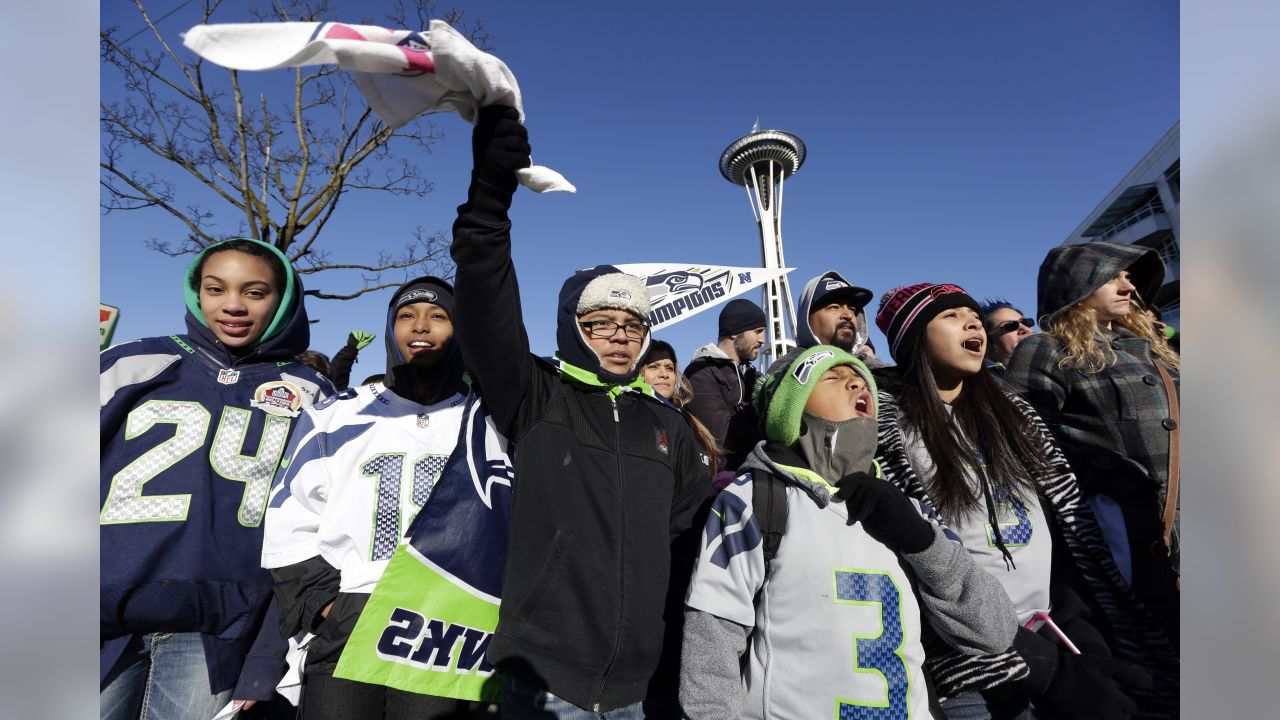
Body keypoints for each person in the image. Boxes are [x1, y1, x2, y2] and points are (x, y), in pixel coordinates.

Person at [449, 105, 707, 718]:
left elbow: (684, 527)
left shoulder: (667, 424)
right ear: (572, 327)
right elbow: (485, 306)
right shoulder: (537, 394)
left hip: (639, 680)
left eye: (632, 325)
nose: (619, 337)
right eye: (600, 324)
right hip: (542, 675)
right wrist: (490, 198)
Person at [873, 282, 1172, 719]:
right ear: (913, 337)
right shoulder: (888, 428)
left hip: (1054, 630)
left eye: (973, 315)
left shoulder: (1015, 413)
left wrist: (1078, 624)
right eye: (951, 316)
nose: (971, 321)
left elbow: (1066, 522)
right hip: (963, 654)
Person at [679, 346, 1018, 719]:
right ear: (795, 413)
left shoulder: (908, 509)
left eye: (861, 379)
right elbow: (712, 639)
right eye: (833, 378)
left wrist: (921, 541)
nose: (858, 383)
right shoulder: (754, 499)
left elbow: (994, 632)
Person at [101, 238, 334, 719]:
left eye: (254, 292)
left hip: (216, 636)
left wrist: (268, 652)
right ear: (196, 293)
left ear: (284, 299)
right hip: (97, 621)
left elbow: (312, 534)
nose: (232, 305)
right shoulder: (132, 364)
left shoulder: (314, 394)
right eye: (216, 288)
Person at [262, 277, 471, 720]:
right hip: (351, 612)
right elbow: (291, 512)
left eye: (439, 316)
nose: (421, 327)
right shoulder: (338, 413)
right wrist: (323, 604)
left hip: (442, 620)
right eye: (406, 316)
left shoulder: (483, 420)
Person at [1004, 242, 1180, 646]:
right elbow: (1026, 444)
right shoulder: (1045, 349)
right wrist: (1109, 480)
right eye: (1112, 277)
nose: (1128, 287)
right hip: (1125, 537)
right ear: (1075, 286)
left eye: (1130, 278)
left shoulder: (1158, 353)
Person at [685, 298, 767, 471]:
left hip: (755, 476)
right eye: (758, 331)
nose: (762, 340)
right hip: (720, 482)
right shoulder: (700, 372)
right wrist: (769, 439)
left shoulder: (754, 377)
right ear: (734, 332)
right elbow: (720, 433)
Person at [641, 340, 723, 475]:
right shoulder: (633, 417)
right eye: (654, 366)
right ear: (639, 372)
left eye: (669, 368)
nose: (664, 374)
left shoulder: (688, 420)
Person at [794, 270, 888, 368]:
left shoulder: (881, 373)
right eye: (834, 307)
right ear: (807, 320)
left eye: (852, 309)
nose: (848, 315)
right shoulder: (786, 372)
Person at [979, 298, 1036, 373]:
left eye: (1026, 322)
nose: (1024, 328)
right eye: (1010, 326)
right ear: (988, 344)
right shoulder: (981, 380)